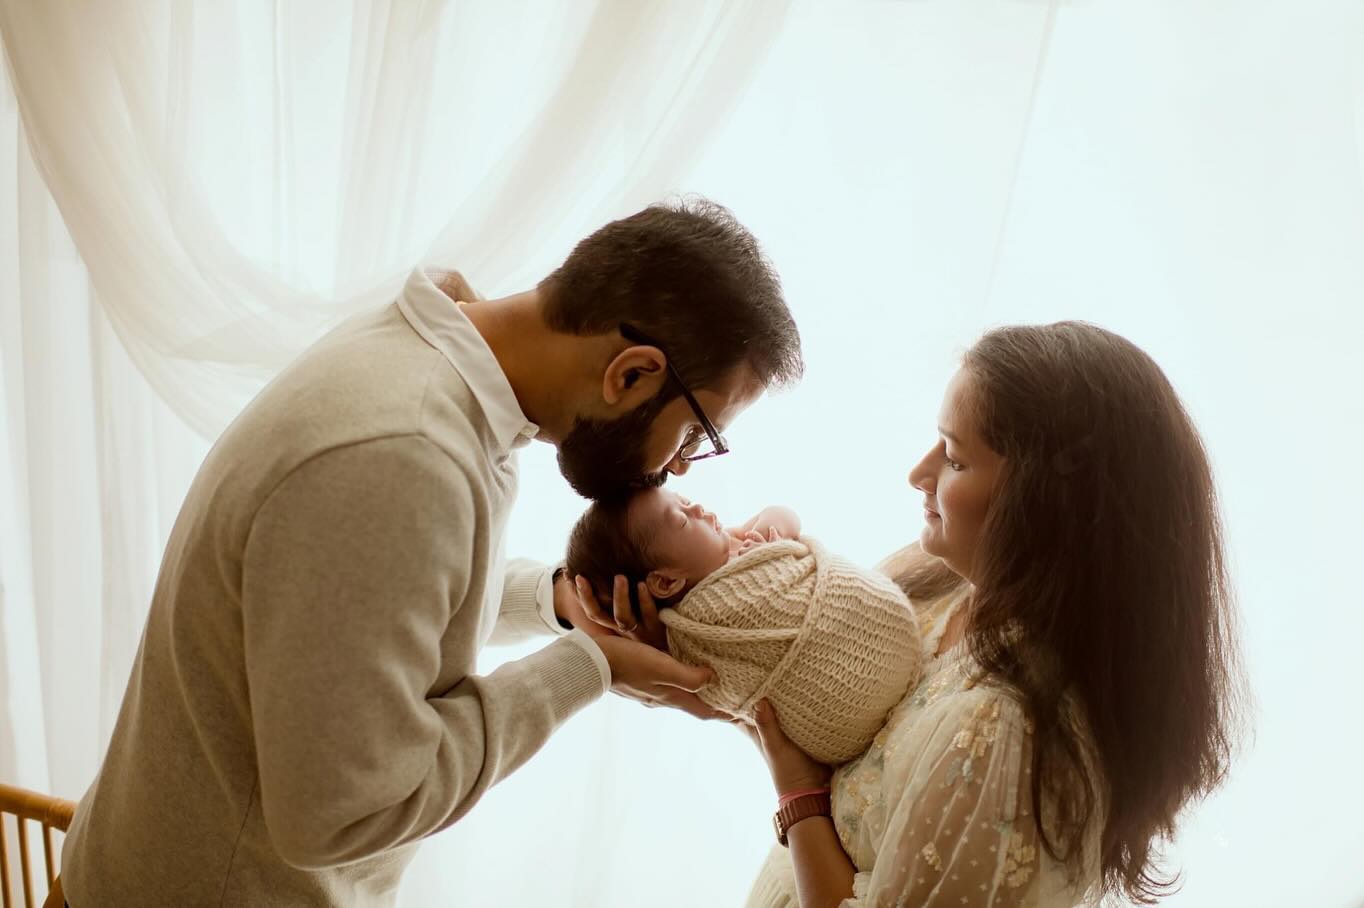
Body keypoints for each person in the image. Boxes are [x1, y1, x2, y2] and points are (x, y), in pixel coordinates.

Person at [59, 199, 803, 907]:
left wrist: (558, 600)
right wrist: (589, 669)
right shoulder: (400, 455)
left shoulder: (426, 354)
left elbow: (380, 607)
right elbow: (340, 812)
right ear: (631, 373)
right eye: (699, 435)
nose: (680, 469)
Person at [741, 322, 1245, 907]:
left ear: (1040, 504)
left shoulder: (1007, 731)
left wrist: (797, 791)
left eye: (953, 458)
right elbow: (793, 690)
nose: (918, 474)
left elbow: (802, 768)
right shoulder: (944, 581)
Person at [564, 488, 923, 764]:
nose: (699, 509)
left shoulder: (736, 544)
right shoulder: (689, 634)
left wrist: (776, 536)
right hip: (843, 710)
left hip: (874, 620)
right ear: (665, 583)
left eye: (686, 500)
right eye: (683, 519)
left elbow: (783, 513)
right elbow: (724, 690)